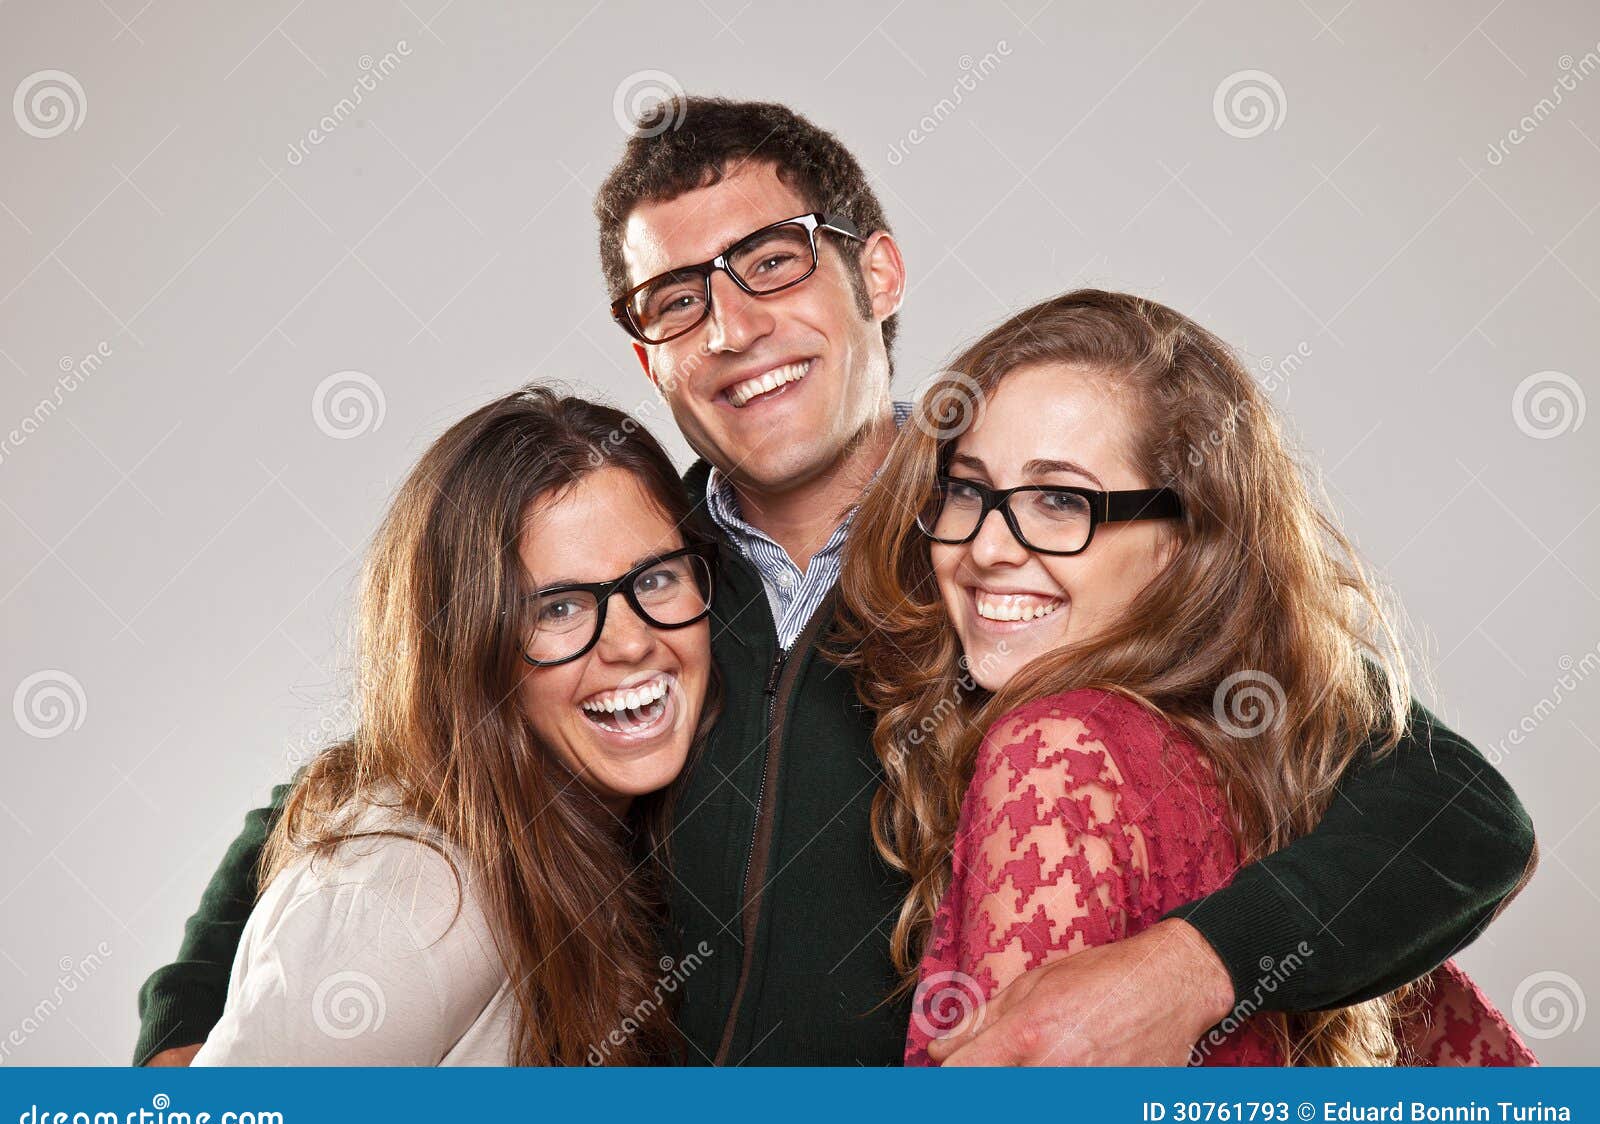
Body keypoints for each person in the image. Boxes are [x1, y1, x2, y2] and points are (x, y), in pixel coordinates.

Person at [137, 98, 1535, 1067]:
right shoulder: (627, 588)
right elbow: (378, 768)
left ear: (876, 269)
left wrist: (1189, 969)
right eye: (674, 299)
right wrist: (185, 1024)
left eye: (769, 262)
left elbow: (1455, 813)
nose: (733, 326)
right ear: (647, 358)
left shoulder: (1030, 558)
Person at [836, 289, 1536, 1065]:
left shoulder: (1054, 751)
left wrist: (1199, 962)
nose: (989, 548)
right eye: (968, 490)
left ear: (1187, 542)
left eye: (1061, 500)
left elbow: (1477, 816)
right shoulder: (1264, 750)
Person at [189, 386, 718, 1064]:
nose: (631, 642)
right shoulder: (412, 900)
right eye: (556, 609)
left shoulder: (582, 823)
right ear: (469, 653)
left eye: (654, 579)